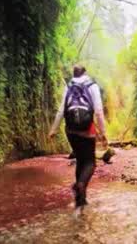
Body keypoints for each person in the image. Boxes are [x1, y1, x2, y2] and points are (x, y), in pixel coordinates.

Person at [48, 64, 108, 217]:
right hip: (86, 130)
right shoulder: (92, 86)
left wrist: (53, 129)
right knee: (90, 162)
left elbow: (61, 110)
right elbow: (99, 111)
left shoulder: (69, 86)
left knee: (80, 160)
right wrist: (103, 132)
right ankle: (80, 186)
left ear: (74, 74)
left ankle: (80, 199)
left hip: (70, 130)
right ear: (85, 73)